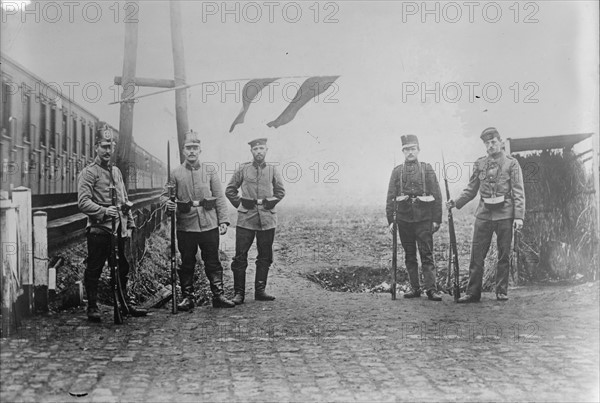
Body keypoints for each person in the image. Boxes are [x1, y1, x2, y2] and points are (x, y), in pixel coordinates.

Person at [78, 124, 148, 322]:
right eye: (104, 146)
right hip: (99, 230)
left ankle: (124, 303)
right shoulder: (88, 173)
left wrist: (131, 224)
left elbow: (124, 200)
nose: (108, 150)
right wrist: (103, 211)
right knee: (95, 268)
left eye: (111, 146)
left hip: (119, 230)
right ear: (96, 147)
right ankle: (92, 306)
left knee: (122, 267)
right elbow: (83, 202)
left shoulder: (116, 172)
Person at [446, 127, 525, 302]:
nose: (490, 145)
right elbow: (471, 189)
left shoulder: (512, 164)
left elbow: (518, 191)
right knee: (477, 254)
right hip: (484, 215)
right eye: (487, 143)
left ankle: (501, 291)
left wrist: (519, 216)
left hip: (505, 214)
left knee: (504, 254)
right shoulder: (480, 164)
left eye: (493, 142)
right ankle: (473, 293)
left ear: (500, 142)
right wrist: (456, 202)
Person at [162, 131, 235, 310]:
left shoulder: (209, 170)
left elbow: (218, 196)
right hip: (186, 225)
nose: (192, 151)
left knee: (213, 260)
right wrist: (168, 204)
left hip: (209, 223)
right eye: (188, 148)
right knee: (187, 262)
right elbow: (165, 196)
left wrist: (223, 220)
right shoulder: (176, 173)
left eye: (195, 148)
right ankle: (188, 298)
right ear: (184, 150)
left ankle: (218, 295)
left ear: (200, 150)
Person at [225, 138, 285, 304]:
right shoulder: (243, 169)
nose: (259, 151)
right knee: (240, 256)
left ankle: (260, 290)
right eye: (255, 149)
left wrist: (269, 202)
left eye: (261, 148)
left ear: (267, 150)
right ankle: (239, 294)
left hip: (267, 218)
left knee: (265, 255)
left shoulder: (272, 170)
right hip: (246, 219)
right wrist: (242, 204)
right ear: (251, 151)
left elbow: (280, 192)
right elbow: (230, 190)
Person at [386, 134, 444, 301]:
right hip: (403, 219)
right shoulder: (397, 172)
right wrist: (391, 220)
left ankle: (431, 289)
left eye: (413, 149)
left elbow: (437, 195)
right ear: (403, 151)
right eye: (406, 149)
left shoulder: (427, 169)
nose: (410, 152)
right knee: (409, 254)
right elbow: (390, 196)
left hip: (424, 219)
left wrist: (436, 220)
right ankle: (415, 288)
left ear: (418, 150)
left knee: (426, 254)